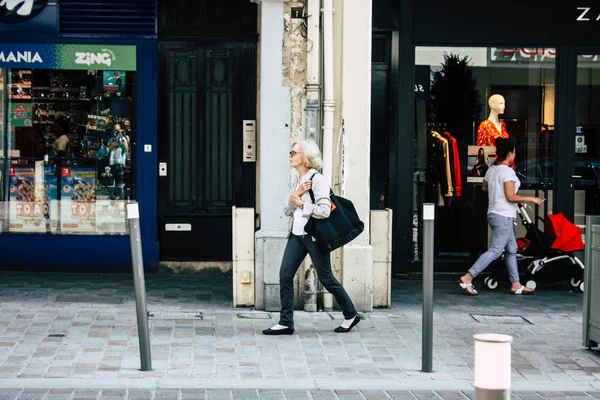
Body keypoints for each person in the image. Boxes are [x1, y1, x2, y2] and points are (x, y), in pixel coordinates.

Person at [262, 139, 360, 335]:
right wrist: (296, 195)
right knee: (285, 276)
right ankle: (285, 322)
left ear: (306, 158)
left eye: (294, 153)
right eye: (291, 152)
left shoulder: (318, 180)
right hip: (297, 235)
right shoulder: (296, 179)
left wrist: (300, 203)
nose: (290, 155)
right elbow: (286, 209)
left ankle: (351, 314)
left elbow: (324, 211)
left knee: (326, 278)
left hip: (314, 237)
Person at [458, 136, 543, 295]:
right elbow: (511, 196)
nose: (515, 155)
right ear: (510, 153)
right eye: (514, 152)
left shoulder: (492, 170)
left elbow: (484, 187)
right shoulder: (507, 171)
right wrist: (531, 198)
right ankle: (468, 276)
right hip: (503, 215)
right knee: (496, 250)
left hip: (495, 214)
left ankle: (516, 284)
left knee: (512, 249)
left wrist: (496, 191)